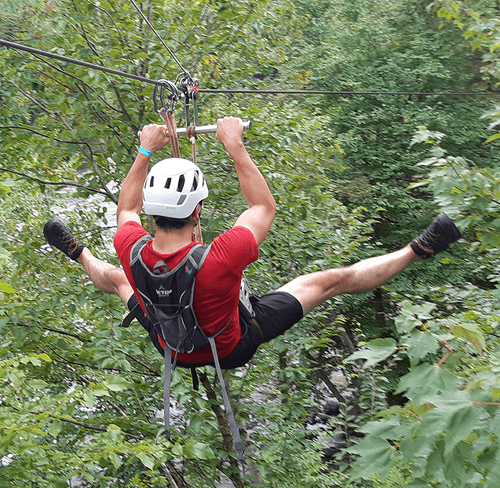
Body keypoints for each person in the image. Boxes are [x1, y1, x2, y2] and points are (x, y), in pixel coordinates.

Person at [43, 117, 462, 369]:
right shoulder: (221, 257)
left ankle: (77, 252)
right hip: (230, 346)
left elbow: (125, 211)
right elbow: (263, 207)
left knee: (119, 280)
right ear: (198, 211)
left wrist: (143, 151)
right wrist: (235, 145)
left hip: (170, 345)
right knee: (330, 281)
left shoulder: (130, 247)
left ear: (152, 211)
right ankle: (418, 249)